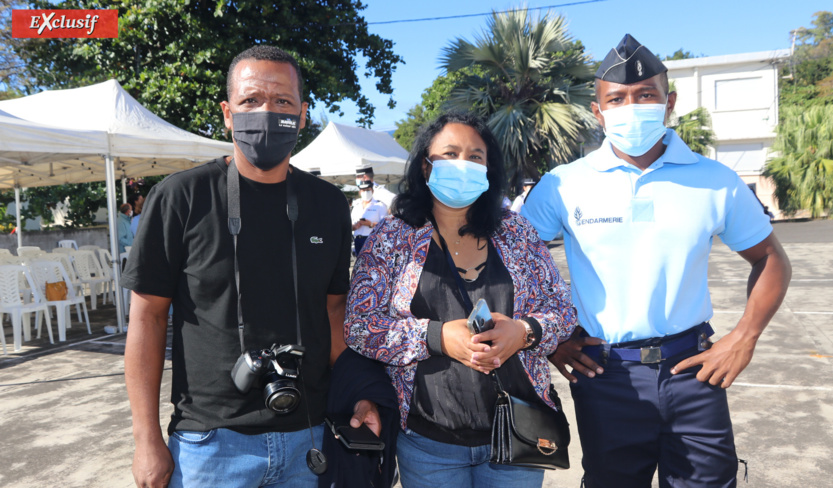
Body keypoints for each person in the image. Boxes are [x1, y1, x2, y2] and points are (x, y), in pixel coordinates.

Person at [521, 34, 792, 488]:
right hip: (607, 375)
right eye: (617, 98)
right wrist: (550, 339)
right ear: (598, 111)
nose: (632, 107)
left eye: (646, 95)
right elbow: (515, 266)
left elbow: (770, 259)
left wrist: (745, 337)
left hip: (694, 368)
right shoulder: (562, 185)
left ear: (669, 103)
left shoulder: (714, 180)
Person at [122, 45, 383, 488]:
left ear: (302, 116)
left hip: (310, 434)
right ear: (227, 113)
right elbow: (146, 318)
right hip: (210, 443)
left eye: (282, 101)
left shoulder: (327, 205)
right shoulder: (181, 197)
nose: (267, 112)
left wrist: (360, 392)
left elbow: (334, 313)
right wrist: (146, 437)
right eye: (250, 101)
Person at [345, 112, 577, 487]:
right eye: (450, 154)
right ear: (425, 165)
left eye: (475, 157)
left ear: (489, 169)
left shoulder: (515, 231)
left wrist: (525, 331)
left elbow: (563, 311)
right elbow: (359, 326)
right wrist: (434, 337)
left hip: (516, 434)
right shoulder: (393, 236)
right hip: (428, 440)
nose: (462, 165)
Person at [351, 180, 387, 255]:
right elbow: (350, 225)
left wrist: (370, 224)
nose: (366, 192)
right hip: (358, 240)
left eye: (368, 190)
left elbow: (385, 226)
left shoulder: (380, 205)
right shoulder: (356, 206)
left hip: (372, 239)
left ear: (372, 191)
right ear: (360, 192)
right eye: (363, 190)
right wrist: (354, 226)